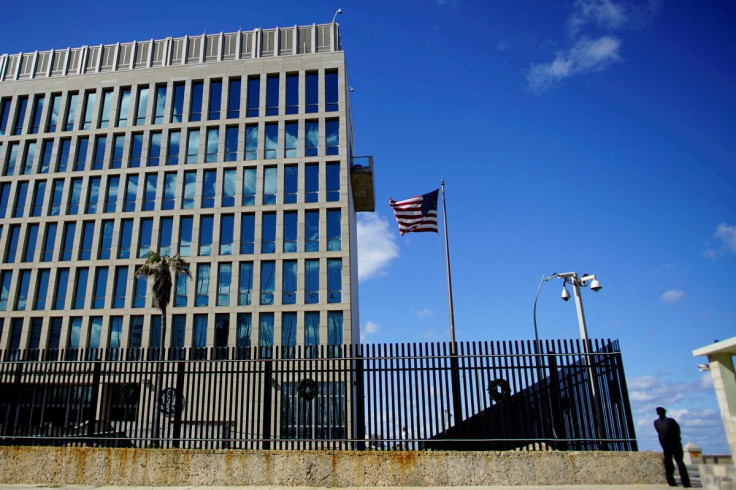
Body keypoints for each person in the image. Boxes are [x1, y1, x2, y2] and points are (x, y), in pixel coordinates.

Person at [654, 407, 691, 487]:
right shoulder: (671, 421)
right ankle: (685, 482)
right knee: (679, 463)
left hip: (666, 445)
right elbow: (677, 430)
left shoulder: (656, 422)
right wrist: (676, 440)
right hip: (674, 444)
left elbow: (659, 432)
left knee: (669, 463)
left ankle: (671, 481)